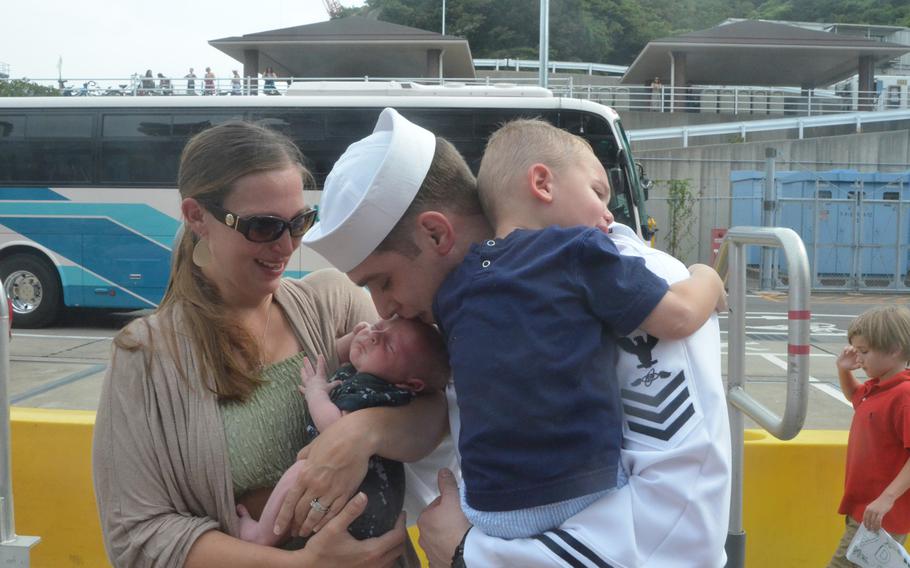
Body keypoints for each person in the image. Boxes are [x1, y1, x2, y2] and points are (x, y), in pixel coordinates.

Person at [299, 108, 729, 566]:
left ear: (435, 232)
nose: (383, 309)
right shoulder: (460, 316)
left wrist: (472, 554)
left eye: (382, 282)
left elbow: (681, 527)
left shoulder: (631, 277)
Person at [92, 120, 445, 567]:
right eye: (263, 227)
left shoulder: (329, 302)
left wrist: (360, 434)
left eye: (299, 223)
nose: (286, 247)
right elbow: (138, 533)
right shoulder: (145, 356)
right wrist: (305, 565)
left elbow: (433, 405)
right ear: (197, 216)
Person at [238, 317, 450, 546]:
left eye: (388, 346)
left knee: (303, 470)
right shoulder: (389, 387)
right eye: (377, 326)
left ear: (410, 384)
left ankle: (261, 535)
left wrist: (316, 392)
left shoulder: (372, 388)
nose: (374, 336)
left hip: (356, 503)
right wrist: (354, 339)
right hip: (373, 508)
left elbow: (335, 429)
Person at [827, 305, 910, 568]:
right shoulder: (876, 387)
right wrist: (844, 370)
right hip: (865, 508)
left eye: (865, 351)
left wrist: (887, 498)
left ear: (895, 349)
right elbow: (856, 397)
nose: (859, 358)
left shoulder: (903, 395)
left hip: (881, 515)